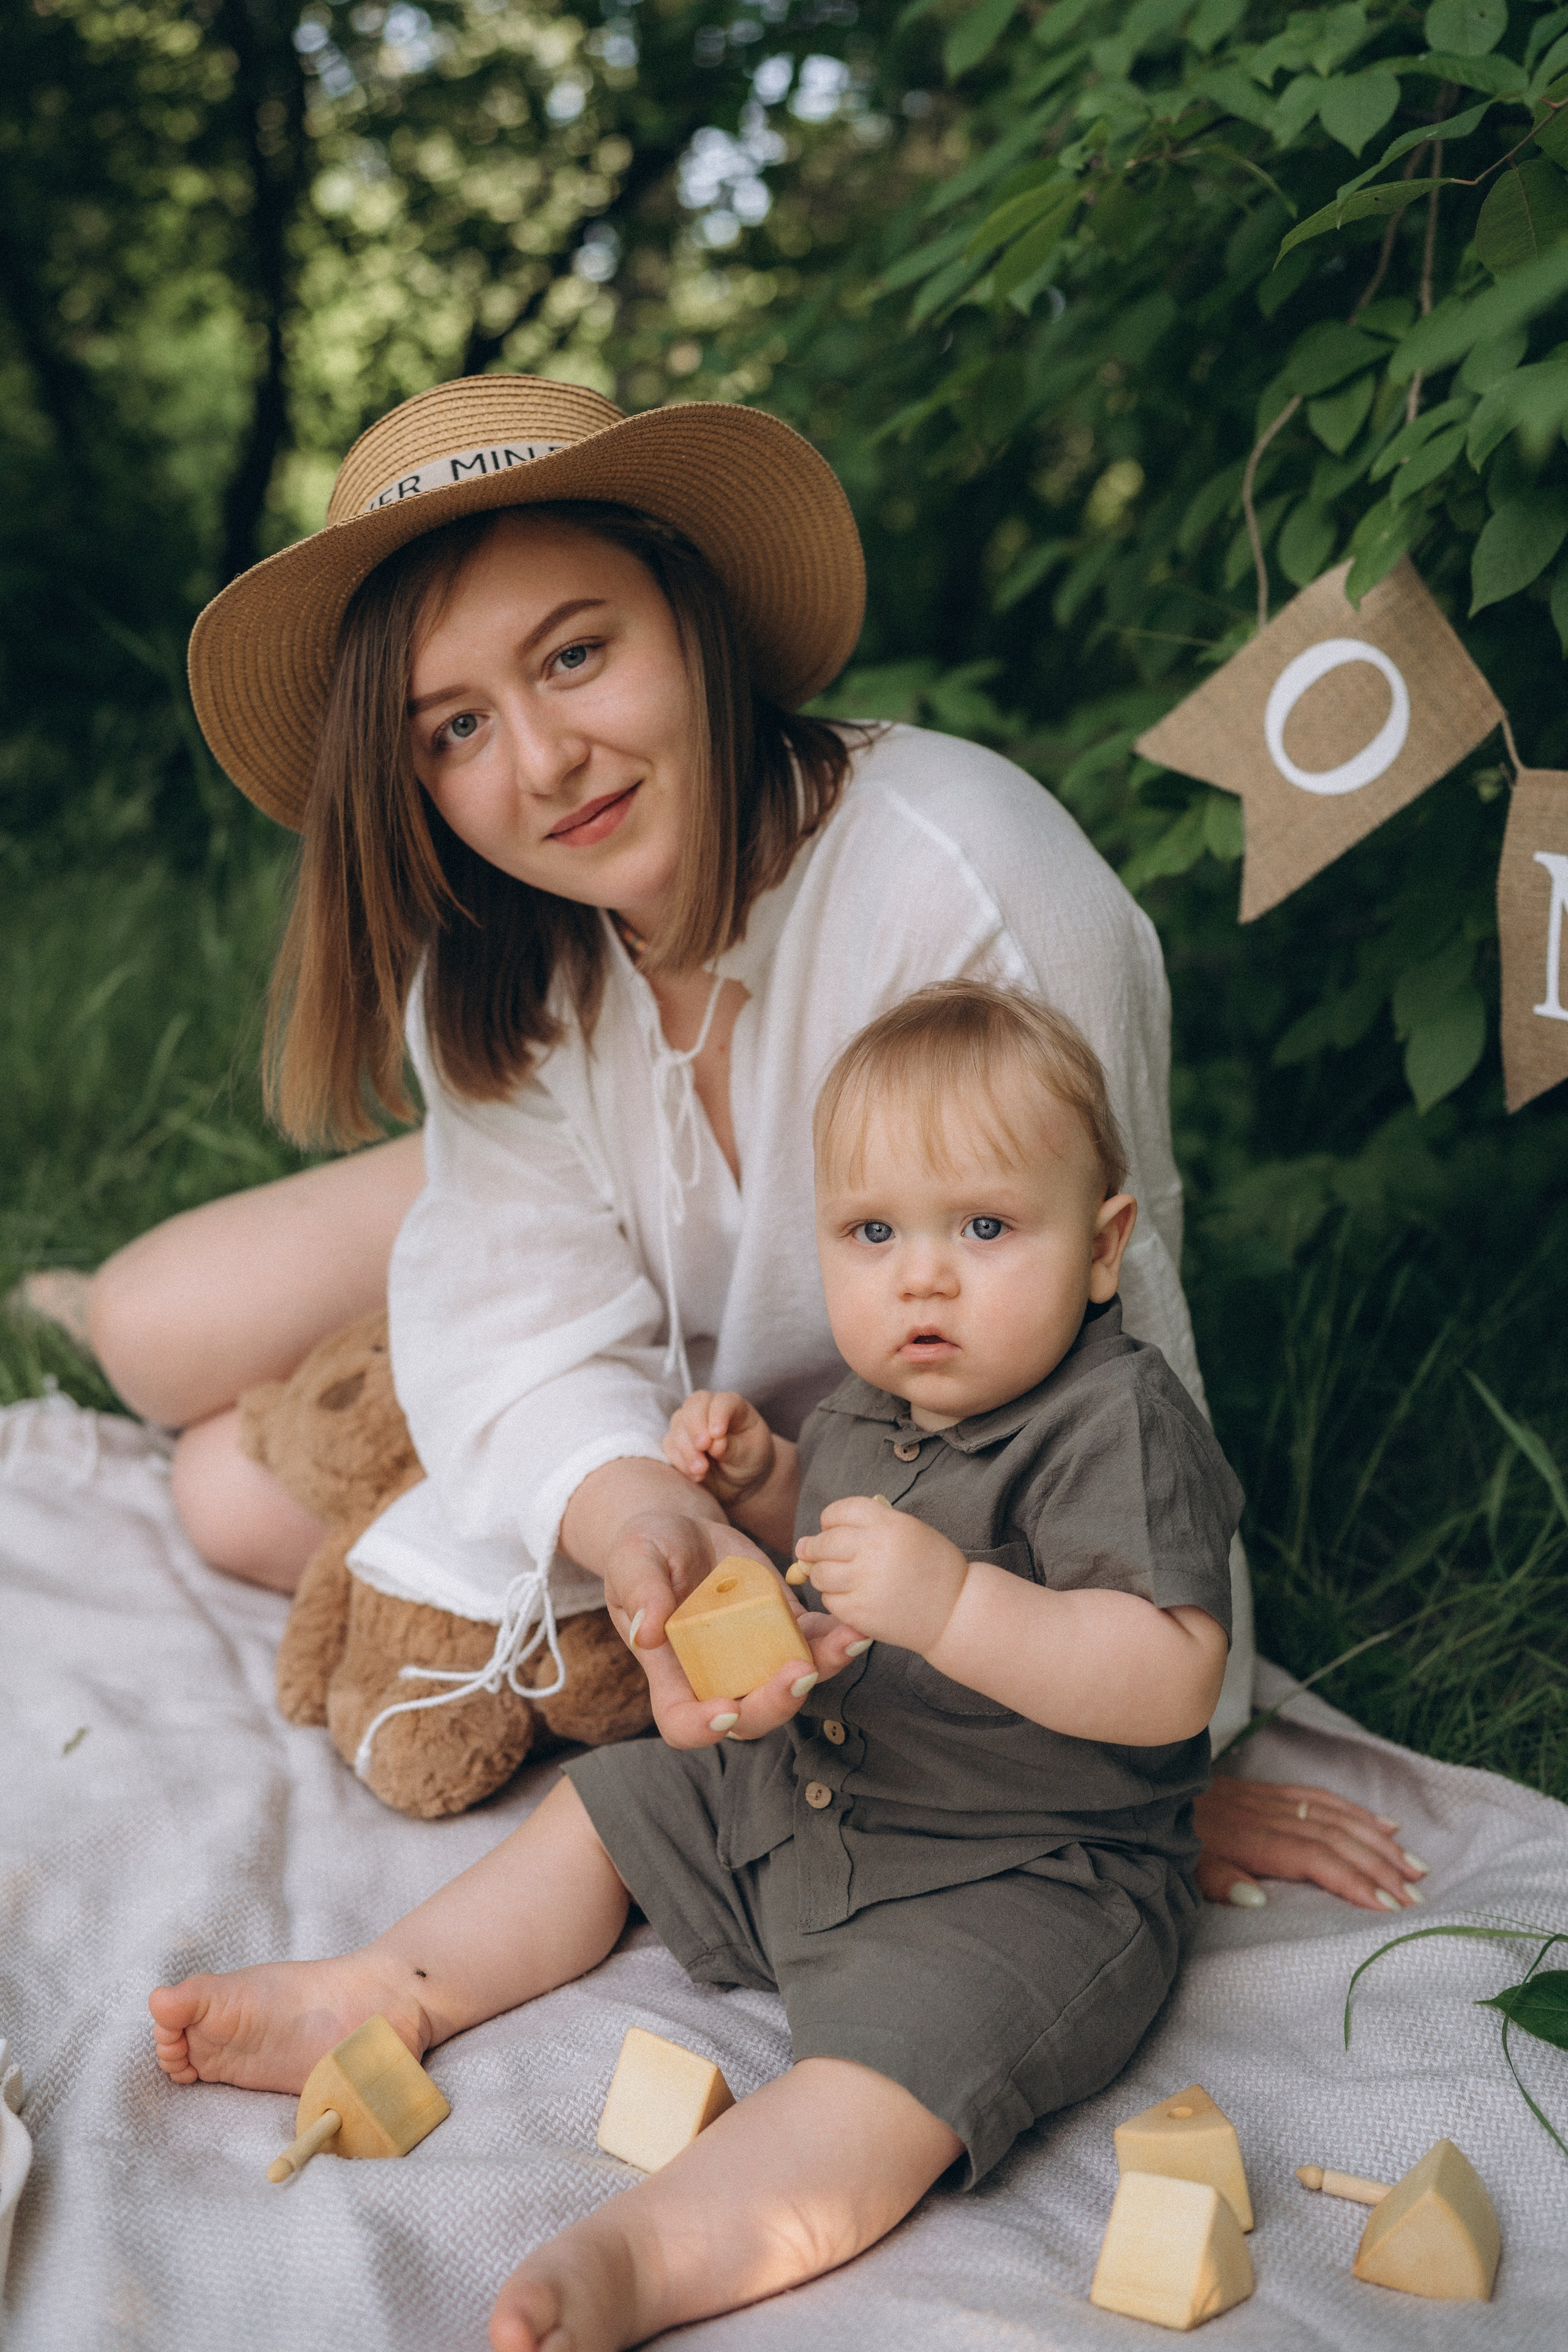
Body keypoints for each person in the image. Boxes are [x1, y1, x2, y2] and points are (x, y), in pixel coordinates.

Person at [85, 373, 1423, 1910]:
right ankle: (433, 1278)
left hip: (869, 1473)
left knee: (229, 1495)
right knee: (148, 1340)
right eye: (455, 728)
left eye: (575, 654)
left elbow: (1115, 1350)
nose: (540, 765)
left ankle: (448, 1325)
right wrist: (636, 1507)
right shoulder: (492, 958)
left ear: (691, 609)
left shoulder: (971, 881)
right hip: (670, 1344)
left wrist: (1148, 1766)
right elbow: (520, 1306)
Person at [151, 980, 1247, 2351]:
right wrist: (763, 1481)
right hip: (816, 1795)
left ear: (1101, 1250)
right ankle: (381, 1993)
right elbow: (833, 1545)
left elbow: (1168, 1675)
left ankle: (648, 2254)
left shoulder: (1111, 1424)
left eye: (983, 1227)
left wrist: (956, 1604)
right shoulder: (874, 1402)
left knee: (887, 2084)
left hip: (1023, 1879)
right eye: (871, 1232)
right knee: (604, 1809)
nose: (922, 1274)